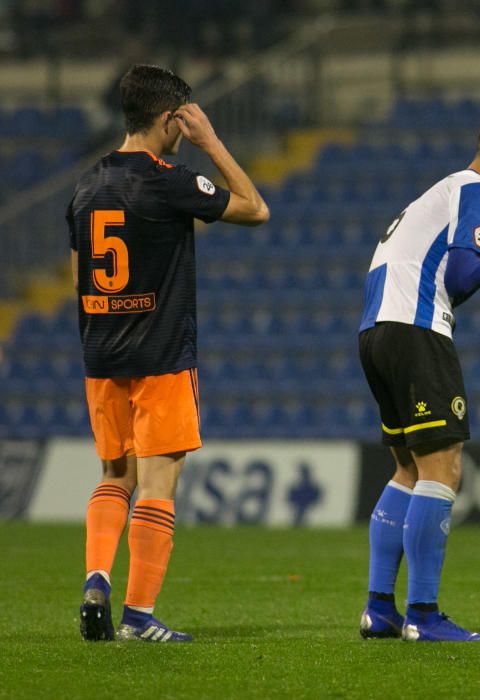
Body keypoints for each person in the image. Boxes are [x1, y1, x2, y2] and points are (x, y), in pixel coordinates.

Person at [69, 64, 269, 642]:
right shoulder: (170, 179)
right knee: (158, 485)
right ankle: (137, 616)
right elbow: (255, 208)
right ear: (167, 119)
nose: (184, 132)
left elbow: (81, 276)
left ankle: (97, 575)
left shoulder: (85, 185)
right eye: (182, 122)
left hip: (101, 357)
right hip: (161, 355)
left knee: (114, 475)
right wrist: (211, 142)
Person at [358, 110, 480, 642]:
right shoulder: (477, 191)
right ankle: (423, 614)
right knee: (443, 469)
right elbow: (462, 277)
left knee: (408, 470)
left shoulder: (434, 194)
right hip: (417, 331)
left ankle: (379, 608)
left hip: (375, 331)